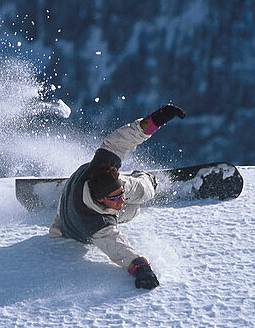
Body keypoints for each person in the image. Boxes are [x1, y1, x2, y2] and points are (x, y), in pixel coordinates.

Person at [48, 104, 186, 290]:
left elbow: (124, 138)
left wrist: (155, 119)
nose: (121, 201)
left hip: (80, 185)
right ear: (99, 199)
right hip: (70, 227)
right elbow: (118, 249)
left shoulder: (103, 164)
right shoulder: (96, 225)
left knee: (138, 190)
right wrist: (141, 268)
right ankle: (137, 193)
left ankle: (151, 182)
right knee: (133, 209)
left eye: (121, 195)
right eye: (114, 199)